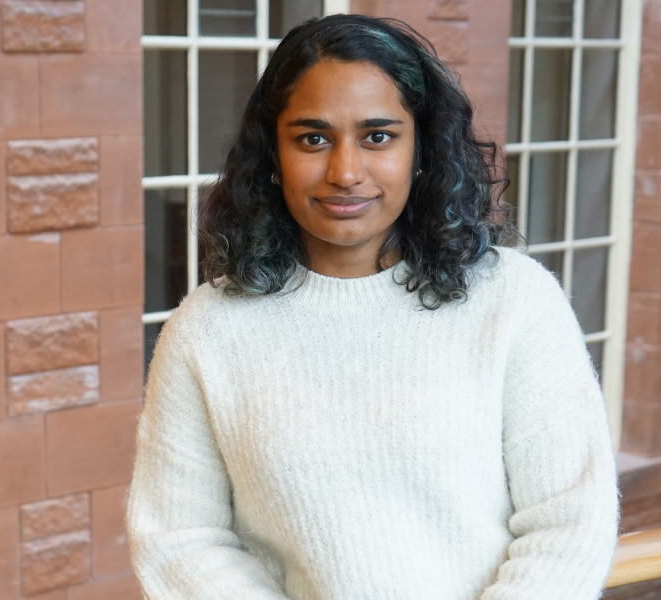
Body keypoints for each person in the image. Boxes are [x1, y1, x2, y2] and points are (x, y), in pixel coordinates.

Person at [126, 14, 619, 600]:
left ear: (421, 148)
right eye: (312, 138)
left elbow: (568, 520)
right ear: (273, 154)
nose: (346, 172)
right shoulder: (206, 331)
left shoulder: (515, 302)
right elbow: (180, 538)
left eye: (378, 136)